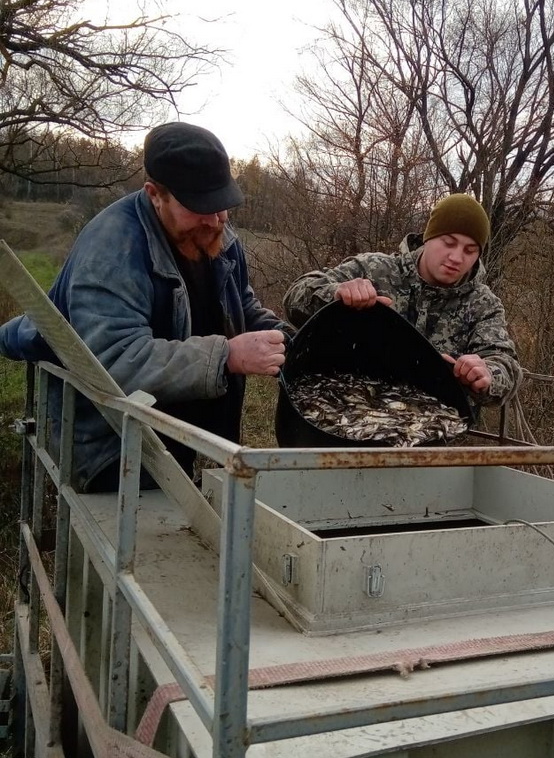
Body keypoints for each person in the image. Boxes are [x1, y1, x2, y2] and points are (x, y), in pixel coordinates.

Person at [0, 122, 290, 491]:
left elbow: (242, 306)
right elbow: (115, 360)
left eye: (222, 205)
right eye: (201, 207)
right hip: (115, 447)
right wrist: (225, 356)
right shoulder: (111, 251)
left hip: (185, 433)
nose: (216, 220)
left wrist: (286, 338)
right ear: (155, 194)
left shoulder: (215, 232)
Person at [283, 193, 521, 406]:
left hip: (433, 430)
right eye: (448, 243)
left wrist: (487, 374)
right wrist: (336, 294)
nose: (457, 257)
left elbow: (506, 365)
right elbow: (295, 297)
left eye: (470, 250)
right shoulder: (375, 269)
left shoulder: (483, 303)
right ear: (428, 238)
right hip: (348, 408)